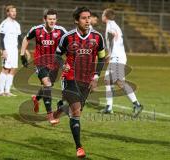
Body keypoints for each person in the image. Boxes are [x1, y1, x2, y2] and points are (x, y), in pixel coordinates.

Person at [54, 7, 106, 158]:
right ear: (76, 20)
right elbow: (57, 55)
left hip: (87, 79)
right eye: (84, 18)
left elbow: (102, 57)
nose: (87, 20)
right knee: (76, 112)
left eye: (89, 17)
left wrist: (96, 76)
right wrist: (62, 64)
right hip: (69, 77)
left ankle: (58, 111)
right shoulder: (68, 37)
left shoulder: (97, 37)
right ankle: (79, 147)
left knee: (74, 110)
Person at [20, 9, 67, 125]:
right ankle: (50, 116)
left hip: (54, 64)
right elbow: (26, 38)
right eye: (50, 19)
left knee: (47, 86)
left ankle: (36, 98)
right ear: (45, 19)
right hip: (40, 63)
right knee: (47, 85)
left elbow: (69, 42)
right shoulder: (36, 30)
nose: (52, 21)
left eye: (54, 19)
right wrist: (22, 54)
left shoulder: (61, 31)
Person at [101, 8, 143, 117]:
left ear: (105, 16)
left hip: (117, 57)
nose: (102, 16)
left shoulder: (110, 26)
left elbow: (114, 36)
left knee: (119, 81)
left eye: (102, 14)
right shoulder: (112, 24)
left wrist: (110, 53)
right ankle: (109, 107)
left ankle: (136, 104)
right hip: (116, 56)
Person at [0, 5, 21, 96]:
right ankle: (1, 91)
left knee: (13, 69)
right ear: (7, 13)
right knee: (5, 69)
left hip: (14, 50)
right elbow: (1, 38)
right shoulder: (4, 24)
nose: (14, 13)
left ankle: (7, 91)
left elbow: (20, 38)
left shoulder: (17, 24)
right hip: (7, 50)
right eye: (12, 11)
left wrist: (24, 49)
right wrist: (3, 50)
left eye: (15, 11)